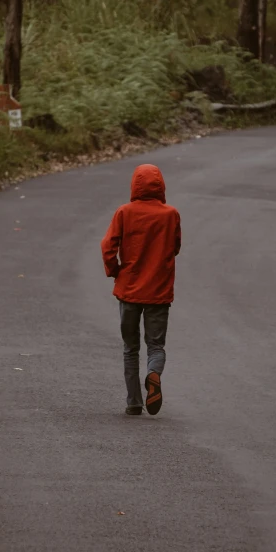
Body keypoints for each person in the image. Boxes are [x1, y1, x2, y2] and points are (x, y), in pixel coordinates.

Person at [101, 164, 181, 416]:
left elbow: (107, 247)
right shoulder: (171, 215)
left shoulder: (124, 212)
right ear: (161, 186)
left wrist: (115, 271)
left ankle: (133, 401)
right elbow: (175, 247)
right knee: (155, 345)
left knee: (130, 348)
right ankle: (153, 374)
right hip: (158, 291)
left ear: (134, 185)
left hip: (129, 290)